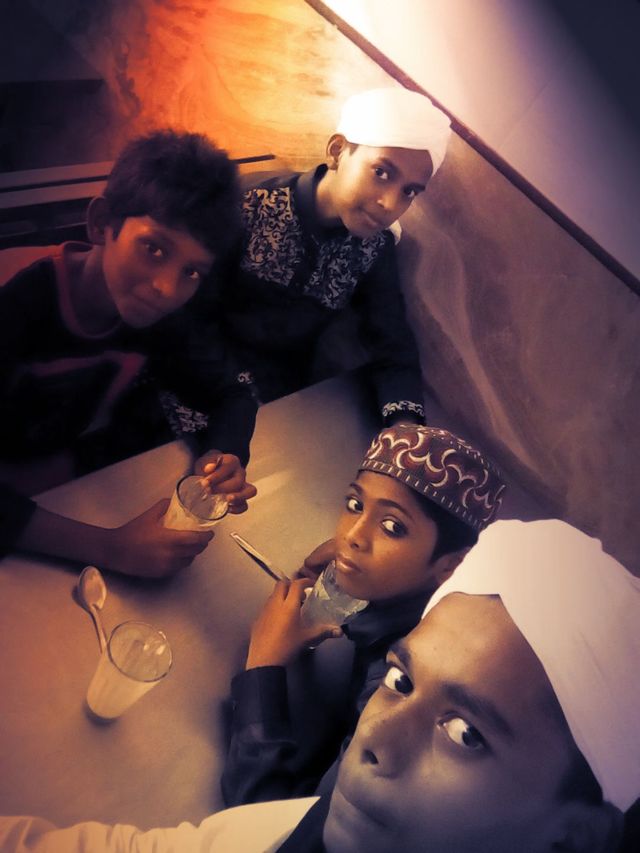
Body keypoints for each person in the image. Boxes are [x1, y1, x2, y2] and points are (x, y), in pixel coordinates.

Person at [2, 519, 638, 852]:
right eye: (400, 679)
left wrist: (263, 669)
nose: (374, 742)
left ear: (574, 837)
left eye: (466, 733)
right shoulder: (307, 828)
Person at [0, 130, 257, 579]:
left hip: (56, 487)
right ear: (102, 223)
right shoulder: (15, 303)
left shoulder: (156, 317)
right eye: (153, 248)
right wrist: (110, 548)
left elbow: (233, 393)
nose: (166, 289)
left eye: (191, 272)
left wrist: (225, 456)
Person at [221, 422, 505, 806]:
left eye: (392, 527)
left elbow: (269, 817)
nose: (352, 535)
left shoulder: (403, 684)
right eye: (355, 505)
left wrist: (263, 664)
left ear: (450, 566)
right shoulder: (422, 595)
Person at [216, 87, 451, 419]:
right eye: (381, 173)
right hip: (196, 379)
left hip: (281, 404)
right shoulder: (252, 202)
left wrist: (404, 423)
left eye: (409, 192)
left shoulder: (374, 246)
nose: (390, 204)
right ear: (337, 151)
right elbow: (191, 309)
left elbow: (391, 340)